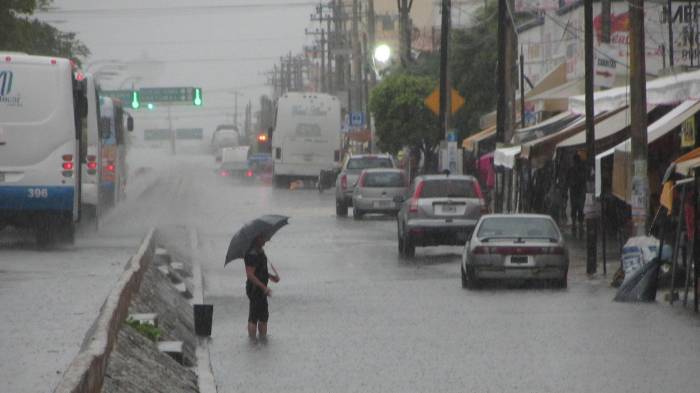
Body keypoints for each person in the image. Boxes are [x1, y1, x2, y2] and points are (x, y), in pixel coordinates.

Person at [244, 235, 280, 341]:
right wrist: (264, 287)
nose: (265, 240)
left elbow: (261, 270)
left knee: (264, 316)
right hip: (254, 288)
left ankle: (262, 341)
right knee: (254, 316)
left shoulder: (260, 251)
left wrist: (273, 277)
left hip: (261, 288)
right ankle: (252, 342)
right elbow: (250, 274)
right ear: (256, 239)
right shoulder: (251, 254)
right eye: (263, 238)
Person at [567, 153, 587, 237]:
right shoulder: (575, 169)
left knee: (578, 209)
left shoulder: (575, 169)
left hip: (577, 192)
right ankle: (578, 225)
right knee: (577, 209)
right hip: (577, 192)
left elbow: (568, 180)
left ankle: (578, 225)